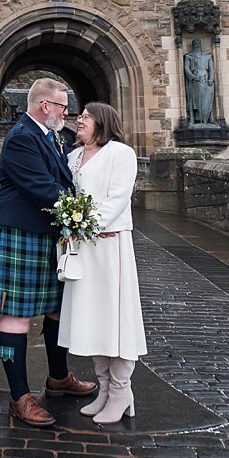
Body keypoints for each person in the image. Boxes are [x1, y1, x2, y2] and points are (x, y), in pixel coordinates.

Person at [0, 78, 97, 427]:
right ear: (45, 106)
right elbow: (43, 189)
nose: (66, 113)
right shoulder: (21, 138)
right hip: (19, 235)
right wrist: (84, 214)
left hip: (47, 236)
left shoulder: (50, 136)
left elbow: (63, 180)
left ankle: (58, 379)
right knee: (16, 315)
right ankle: (19, 397)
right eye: (63, 106)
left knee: (57, 309)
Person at [57, 101, 147, 425]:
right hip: (83, 250)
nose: (78, 120)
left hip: (110, 247)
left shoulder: (120, 154)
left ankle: (122, 391)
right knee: (94, 319)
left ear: (102, 122)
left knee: (116, 320)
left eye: (85, 117)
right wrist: (69, 223)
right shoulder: (72, 157)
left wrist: (82, 223)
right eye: (78, 116)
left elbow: (117, 199)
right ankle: (105, 390)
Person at [183, 38, 216, 126]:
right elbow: (186, 68)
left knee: (208, 99)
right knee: (192, 100)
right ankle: (192, 119)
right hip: (195, 81)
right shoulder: (189, 56)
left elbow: (211, 69)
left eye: (199, 44)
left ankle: (210, 118)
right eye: (196, 44)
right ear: (193, 45)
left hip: (206, 80)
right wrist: (193, 77)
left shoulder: (207, 56)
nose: (197, 45)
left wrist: (211, 79)